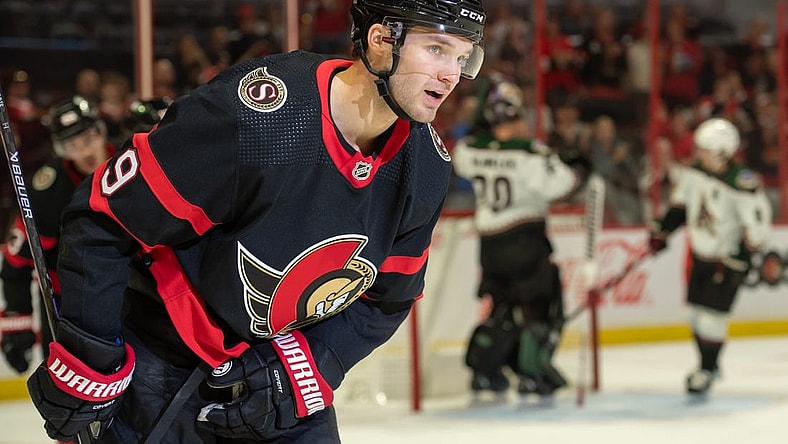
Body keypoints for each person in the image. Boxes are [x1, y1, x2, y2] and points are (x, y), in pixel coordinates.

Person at [25, 1, 487, 443]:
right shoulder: (256, 117)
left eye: (463, 57)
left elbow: (387, 300)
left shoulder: (425, 166)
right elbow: (104, 220)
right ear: (381, 39)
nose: (451, 75)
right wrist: (90, 353)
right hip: (161, 354)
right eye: (436, 49)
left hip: (270, 370)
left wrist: (312, 365)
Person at [453, 75, 588, 406]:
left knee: (499, 311)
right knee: (539, 310)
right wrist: (577, 163)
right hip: (526, 240)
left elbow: (462, 159)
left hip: (490, 245)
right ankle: (532, 374)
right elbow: (562, 185)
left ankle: (486, 371)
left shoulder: (470, 149)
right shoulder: (531, 153)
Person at [648, 117, 772, 397]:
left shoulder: (742, 184)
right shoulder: (696, 174)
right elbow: (681, 206)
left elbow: (757, 231)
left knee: (711, 319)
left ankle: (706, 368)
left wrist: (739, 257)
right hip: (700, 257)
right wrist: (663, 230)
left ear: (722, 151)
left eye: (704, 149)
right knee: (694, 316)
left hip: (726, 262)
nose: (698, 153)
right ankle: (709, 365)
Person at [1, 96, 114, 381]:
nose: (84, 150)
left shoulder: (132, 163)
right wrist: (18, 327)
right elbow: (16, 262)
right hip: (68, 303)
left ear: (101, 132)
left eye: (88, 138)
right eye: (72, 145)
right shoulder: (48, 191)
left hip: (131, 294)